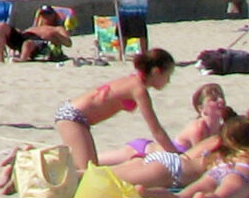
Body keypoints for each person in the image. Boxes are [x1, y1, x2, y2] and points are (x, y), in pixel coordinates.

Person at [50, 48, 179, 173]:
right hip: (73, 117)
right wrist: (177, 156)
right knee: (87, 172)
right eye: (168, 76)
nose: (168, 81)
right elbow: (156, 130)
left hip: (76, 117)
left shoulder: (134, 81)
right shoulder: (138, 89)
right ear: (156, 72)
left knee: (88, 168)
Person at [0, 4, 73, 62]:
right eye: (43, 14)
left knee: (28, 43)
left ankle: (22, 59)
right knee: (2, 26)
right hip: (22, 37)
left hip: (37, 43)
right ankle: (1, 58)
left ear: (54, 15)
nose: (45, 17)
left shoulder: (57, 29)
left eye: (48, 14)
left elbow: (69, 43)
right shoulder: (36, 26)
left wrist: (56, 35)